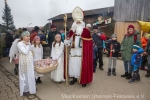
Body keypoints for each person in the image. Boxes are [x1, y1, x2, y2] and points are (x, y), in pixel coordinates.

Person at [64, 7, 93, 87]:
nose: (78, 23)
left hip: (81, 52)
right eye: (77, 22)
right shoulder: (72, 33)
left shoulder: (86, 32)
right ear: (74, 24)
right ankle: (74, 78)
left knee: (81, 64)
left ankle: (83, 79)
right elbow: (68, 40)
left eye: (79, 22)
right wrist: (67, 42)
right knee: (73, 63)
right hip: (73, 51)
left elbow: (89, 42)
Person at [17, 31, 36, 96]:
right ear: (22, 37)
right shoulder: (20, 43)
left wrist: (28, 44)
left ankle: (31, 88)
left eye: (29, 36)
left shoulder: (28, 42)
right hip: (24, 61)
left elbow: (31, 49)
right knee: (25, 75)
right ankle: (25, 90)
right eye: (27, 36)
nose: (28, 37)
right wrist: (28, 45)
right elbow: (25, 52)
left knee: (30, 74)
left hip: (30, 61)